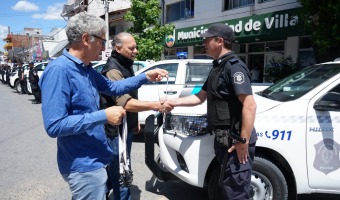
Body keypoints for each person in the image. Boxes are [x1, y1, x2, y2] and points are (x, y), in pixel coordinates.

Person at [38, 12, 168, 200]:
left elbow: (113, 87)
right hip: (83, 166)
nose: (104, 46)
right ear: (85, 39)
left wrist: (145, 77)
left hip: (95, 160)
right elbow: (54, 125)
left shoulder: (85, 68)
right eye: (101, 40)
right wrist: (103, 116)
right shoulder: (60, 70)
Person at [167, 23, 257, 199]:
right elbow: (200, 97)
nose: (204, 43)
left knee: (236, 191)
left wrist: (243, 140)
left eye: (207, 39)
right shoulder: (218, 67)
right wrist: (172, 102)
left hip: (235, 140)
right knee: (226, 187)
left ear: (220, 41)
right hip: (224, 140)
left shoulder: (234, 67)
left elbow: (249, 104)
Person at [100, 32, 173, 200]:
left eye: (135, 47)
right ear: (118, 49)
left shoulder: (125, 64)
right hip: (116, 131)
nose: (136, 51)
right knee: (121, 171)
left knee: (116, 167)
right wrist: (157, 105)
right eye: (131, 48)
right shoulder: (113, 69)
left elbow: (131, 95)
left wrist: (134, 121)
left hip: (127, 127)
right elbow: (125, 103)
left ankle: (100, 190)